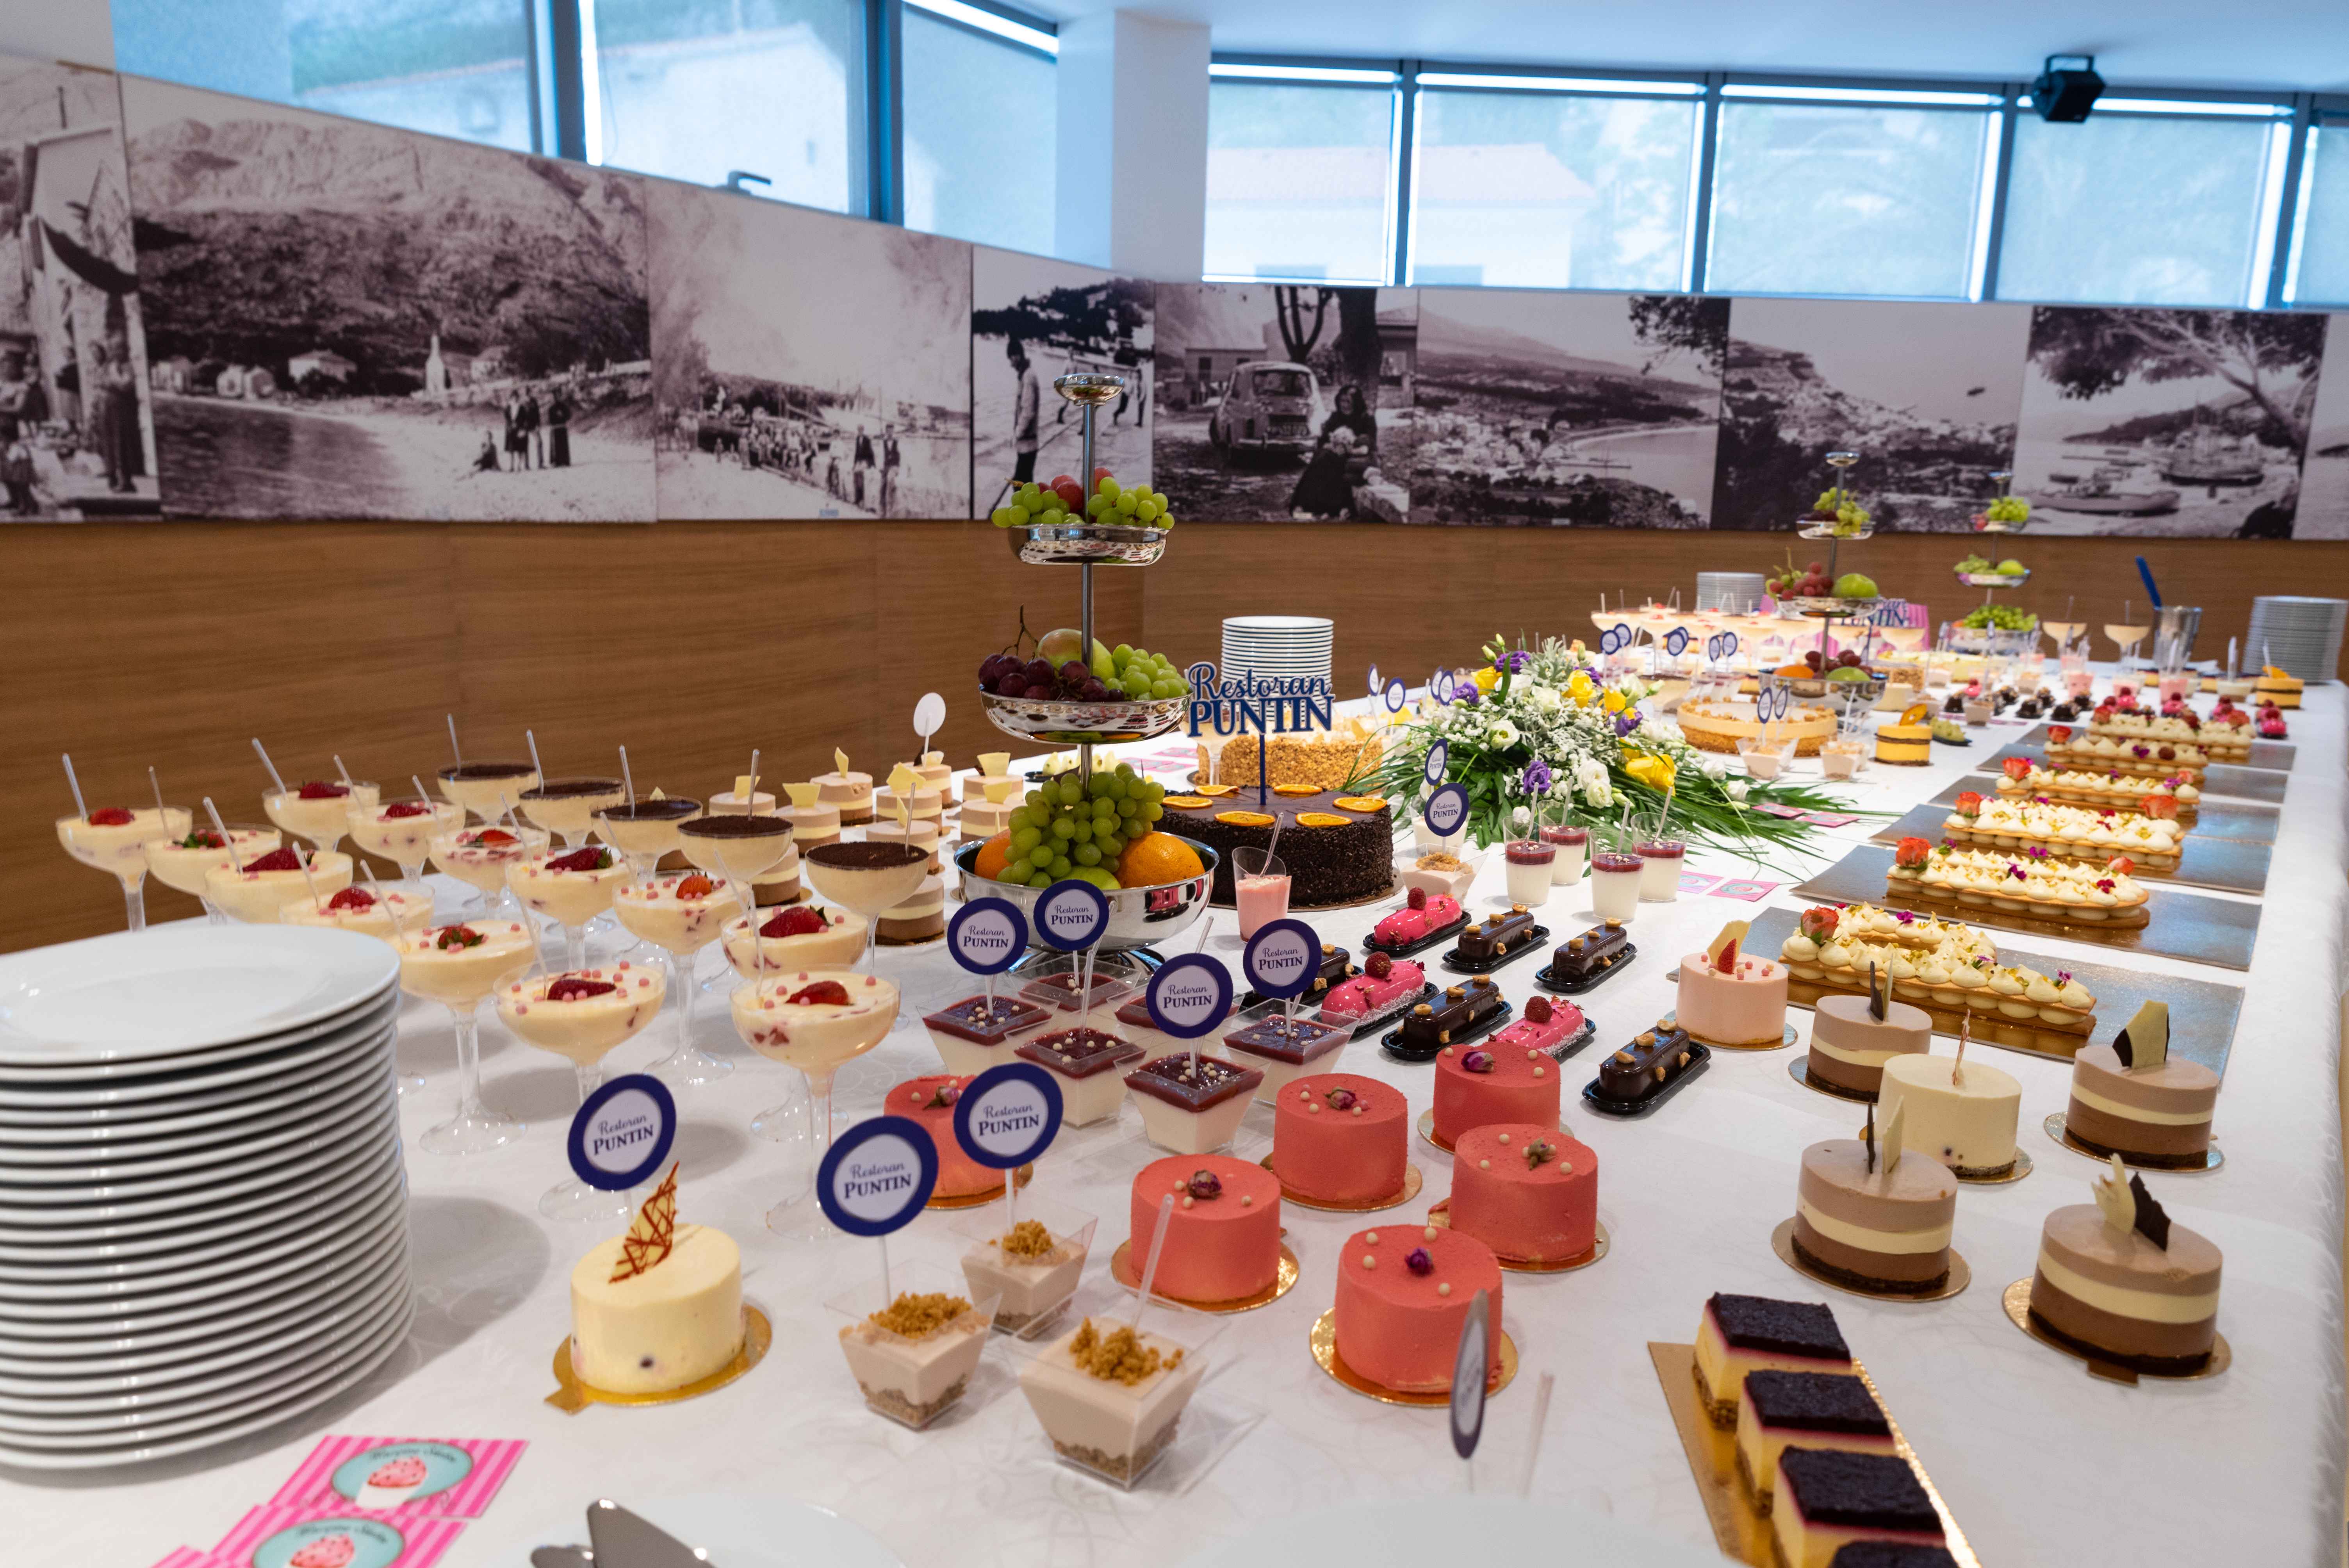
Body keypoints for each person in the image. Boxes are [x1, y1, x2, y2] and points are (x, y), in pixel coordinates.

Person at [1289, 423, 1358, 520]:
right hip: (1319, 500)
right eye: (1348, 445)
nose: (1349, 449)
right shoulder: (1336, 460)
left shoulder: (1321, 454)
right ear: (1341, 445)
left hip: (1304, 501)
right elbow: (1339, 485)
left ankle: (1313, 514)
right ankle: (1323, 514)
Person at [97, 343, 141, 492]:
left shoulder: (126, 367)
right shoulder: (108, 366)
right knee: (108, 443)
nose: (114, 353)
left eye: (117, 349)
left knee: (121, 443)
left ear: (124, 351)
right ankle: (112, 476)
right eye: (112, 349)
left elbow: (125, 385)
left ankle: (126, 481)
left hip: (120, 409)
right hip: (107, 408)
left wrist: (113, 373)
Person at [1007, 340, 1040, 484]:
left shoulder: (1028, 377)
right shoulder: (1025, 375)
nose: (1011, 364)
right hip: (1026, 444)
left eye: (1011, 359)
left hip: (1028, 444)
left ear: (1017, 356)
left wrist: (1017, 434)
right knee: (1024, 484)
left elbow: (1028, 411)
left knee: (1020, 484)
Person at [2, 434, 35, 516]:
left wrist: (3, 454)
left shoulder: (15, 446)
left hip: (21, 470)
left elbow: (11, 459)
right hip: (25, 469)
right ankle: (31, 507)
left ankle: (26, 508)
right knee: (25, 489)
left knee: (22, 489)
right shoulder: (20, 445)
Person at [547, 384, 572, 469]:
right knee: (556, 446)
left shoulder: (564, 406)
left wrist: (563, 416)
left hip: (562, 427)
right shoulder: (551, 408)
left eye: (558, 395)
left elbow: (569, 416)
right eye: (556, 396)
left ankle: (565, 461)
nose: (557, 398)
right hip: (555, 428)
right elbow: (550, 419)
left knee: (563, 445)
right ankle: (556, 461)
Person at [879, 424, 900, 517]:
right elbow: (881, 455)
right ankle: (882, 512)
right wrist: (881, 467)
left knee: (890, 482)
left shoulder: (897, 442)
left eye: (891, 430)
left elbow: (902, 456)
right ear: (886, 431)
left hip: (894, 467)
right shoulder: (883, 442)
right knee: (882, 488)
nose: (890, 432)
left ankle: (889, 513)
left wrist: (899, 468)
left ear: (893, 431)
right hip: (886, 467)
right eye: (888, 430)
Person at [852, 424, 875, 508]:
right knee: (855, 474)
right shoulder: (858, 439)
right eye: (859, 430)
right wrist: (855, 464)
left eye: (861, 430)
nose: (860, 432)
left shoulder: (867, 440)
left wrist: (872, 464)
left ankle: (861, 498)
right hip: (859, 461)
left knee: (861, 474)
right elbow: (856, 453)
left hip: (866, 461)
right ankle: (857, 498)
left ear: (863, 430)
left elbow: (871, 453)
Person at [520, 388, 542, 470]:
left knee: (539, 443)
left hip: (534, 426)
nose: (528, 395)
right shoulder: (522, 403)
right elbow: (520, 416)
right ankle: (526, 465)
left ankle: (540, 464)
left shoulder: (534, 401)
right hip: (525, 426)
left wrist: (538, 425)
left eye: (529, 393)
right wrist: (521, 427)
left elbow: (538, 414)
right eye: (526, 394)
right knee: (525, 445)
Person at [503, 390, 524, 472]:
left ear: (518, 398)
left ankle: (519, 466)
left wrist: (518, 424)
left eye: (516, 397)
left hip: (518, 429)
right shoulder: (508, 407)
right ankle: (511, 466)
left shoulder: (521, 407)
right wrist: (511, 424)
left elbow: (523, 418)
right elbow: (507, 417)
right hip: (510, 430)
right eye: (513, 397)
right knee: (511, 449)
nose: (515, 399)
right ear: (511, 398)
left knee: (519, 448)